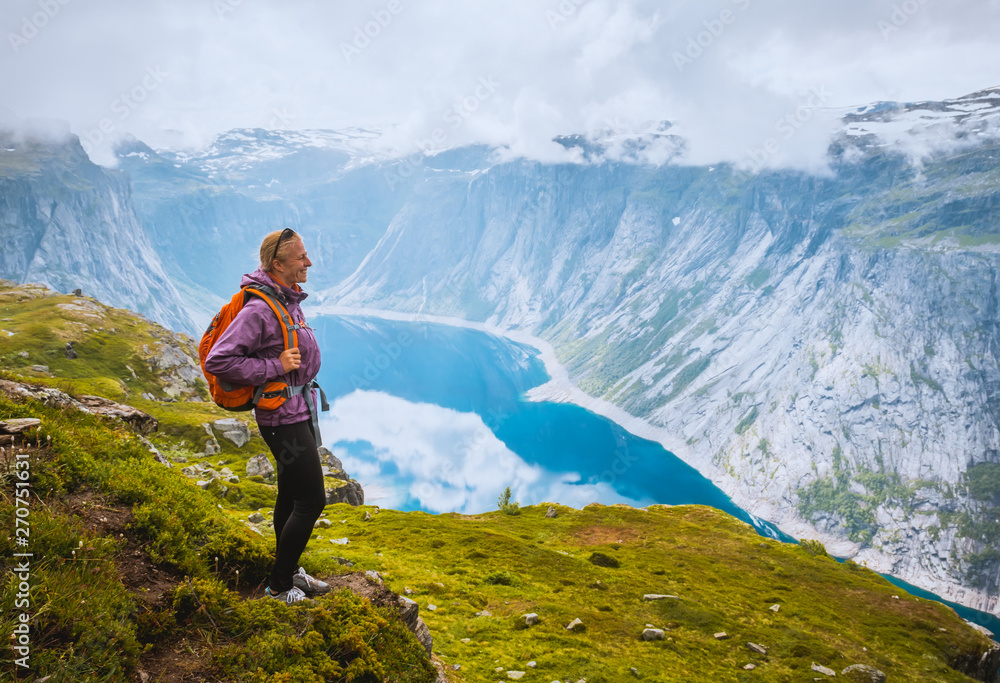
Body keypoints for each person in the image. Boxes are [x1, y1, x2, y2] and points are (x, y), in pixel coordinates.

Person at [204, 228, 331, 604]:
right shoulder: (260, 308)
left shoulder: (286, 299)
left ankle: (289, 572)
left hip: (297, 408)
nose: (308, 262)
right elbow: (220, 361)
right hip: (282, 416)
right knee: (312, 500)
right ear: (277, 264)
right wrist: (273, 366)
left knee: (291, 496)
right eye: (301, 257)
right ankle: (278, 587)